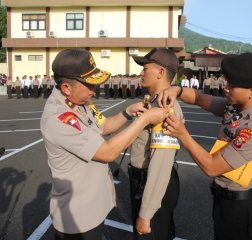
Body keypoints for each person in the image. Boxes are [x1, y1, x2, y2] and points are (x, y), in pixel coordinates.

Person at [40, 49, 168, 240]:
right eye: (89, 85)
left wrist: (128, 112)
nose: (94, 90)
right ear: (66, 87)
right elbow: (107, 153)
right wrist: (145, 119)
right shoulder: (59, 118)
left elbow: (104, 126)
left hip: (92, 205)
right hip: (78, 217)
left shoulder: (78, 102)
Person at [157, 53, 252, 240]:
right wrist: (177, 90)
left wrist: (182, 134)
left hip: (238, 208)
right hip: (223, 198)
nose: (226, 89)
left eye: (232, 85)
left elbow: (211, 166)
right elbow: (201, 99)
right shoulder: (237, 107)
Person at [129, 48, 183, 239]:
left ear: (160, 73)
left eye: (145, 68)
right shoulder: (154, 101)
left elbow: (160, 163)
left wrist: (146, 213)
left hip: (151, 184)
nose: (141, 73)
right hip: (143, 180)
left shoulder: (165, 107)